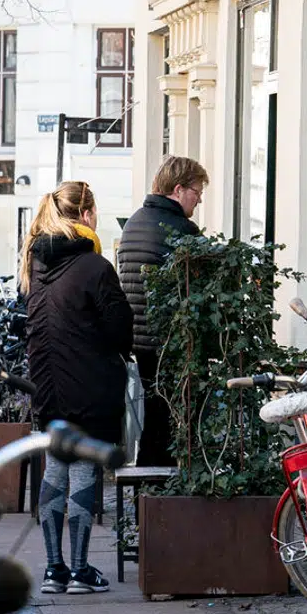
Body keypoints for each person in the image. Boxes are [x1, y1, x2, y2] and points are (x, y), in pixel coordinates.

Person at [23, 181, 132, 594]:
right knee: (84, 467)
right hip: (89, 381)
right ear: (86, 215)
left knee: (55, 467)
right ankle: (82, 569)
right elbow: (120, 329)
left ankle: (54, 569)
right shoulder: (95, 266)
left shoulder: (35, 262)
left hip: (46, 384)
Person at [117, 155, 209, 467]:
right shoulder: (181, 230)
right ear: (179, 189)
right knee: (173, 420)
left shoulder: (134, 222)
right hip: (170, 341)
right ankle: (159, 492)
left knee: (155, 415)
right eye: (196, 193)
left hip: (140, 341)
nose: (198, 202)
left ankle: (147, 494)